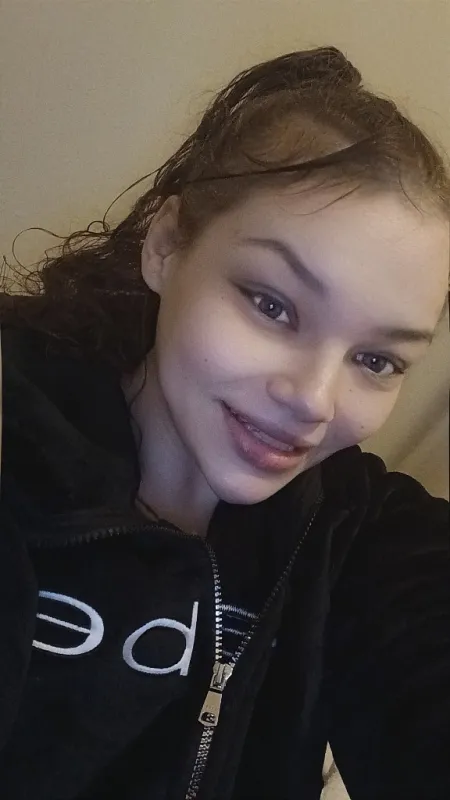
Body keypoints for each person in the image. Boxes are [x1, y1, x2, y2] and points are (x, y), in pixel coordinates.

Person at [0, 45, 449, 800]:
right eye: (272, 306)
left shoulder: (354, 531)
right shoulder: (18, 439)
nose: (314, 400)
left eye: (376, 359)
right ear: (167, 245)